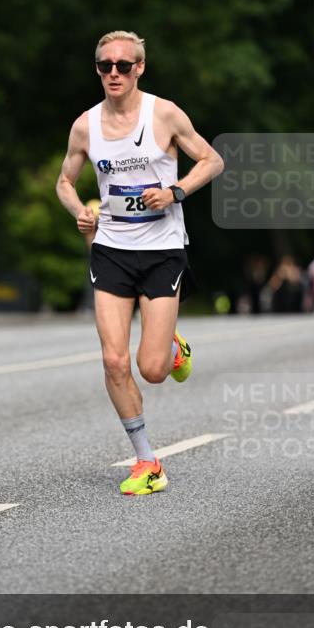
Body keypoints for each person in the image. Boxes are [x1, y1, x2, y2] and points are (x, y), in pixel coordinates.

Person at [56, 30, 224, 495]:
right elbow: (65, 182)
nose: (113, 73)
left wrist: (174, 192)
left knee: (151, 368)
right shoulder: (84, 126)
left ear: (139, 69)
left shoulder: (164, 114)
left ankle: (170, 347)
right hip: (111, 248)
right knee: (113, 360)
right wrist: (81, 213)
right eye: (104, 66)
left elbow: (212, 160)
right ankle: (147, 461)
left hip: (162, 248)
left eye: (123, 66)